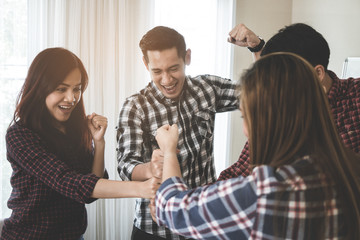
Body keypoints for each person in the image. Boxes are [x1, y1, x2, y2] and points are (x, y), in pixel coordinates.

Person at [153, 52, 360, 239]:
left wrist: (170, 151)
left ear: (266, 121)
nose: (245, 129)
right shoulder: (349, 169)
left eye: (245, 116)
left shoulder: (263, 196)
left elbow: (171, 207)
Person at [1, 47, 159, 240]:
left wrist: (98, 143)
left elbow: (91, 192)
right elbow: (70, 182)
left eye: (76, 89)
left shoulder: (73, 129)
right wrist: (141, 188)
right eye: (61, 89)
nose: (72, 98)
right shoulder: (19, 135)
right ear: (40, 87)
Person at [116, 26, 239, 239]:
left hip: (201, 222)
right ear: (146, 64)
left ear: (187, 57)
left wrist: (257, 48)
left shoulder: (208, 88)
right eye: (157, 71)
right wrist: (149, 168)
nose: (166, 80)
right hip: (155, 229)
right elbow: (126, 165)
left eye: (173, 68)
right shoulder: (135, 107)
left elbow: (260, 94)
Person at [218, 23, 360, 181]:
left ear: (317, 73)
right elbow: (239, 173)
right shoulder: (277, 108)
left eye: (280, 79)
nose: (275, 89)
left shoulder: (355, 98)